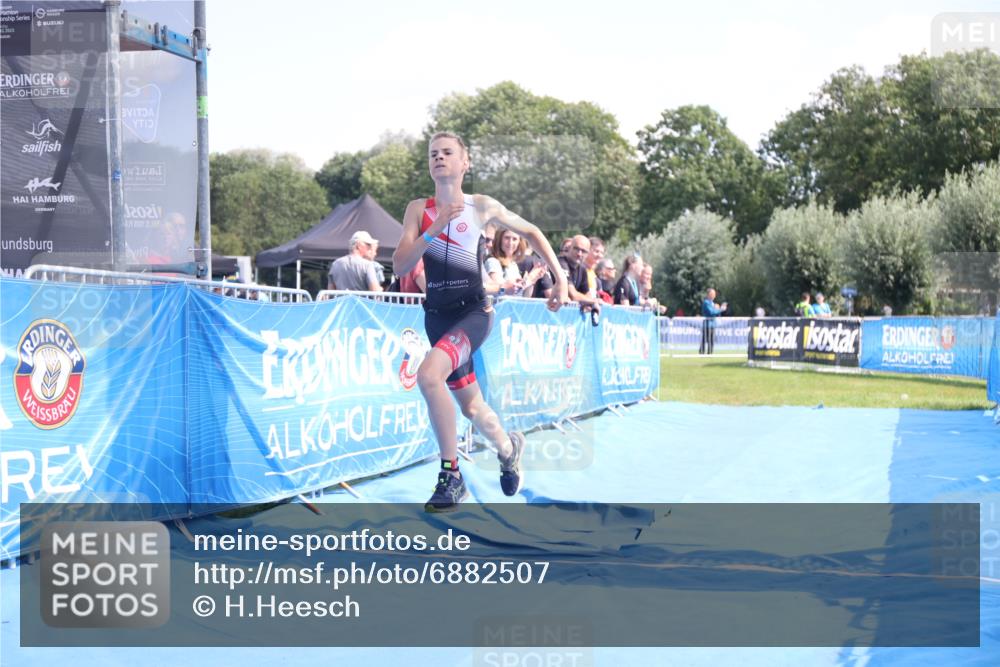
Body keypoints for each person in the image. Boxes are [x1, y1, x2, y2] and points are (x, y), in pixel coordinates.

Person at [392, 131, 568, 512]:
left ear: (464, 163)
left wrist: (561, 279)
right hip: (437, 318)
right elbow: (400, 264)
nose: (439, 158)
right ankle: (508, 449)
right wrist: (433, 228)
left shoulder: (481, 206)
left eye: (447, 153)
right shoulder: (417, 210)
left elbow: (532, 233)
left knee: (428, 375)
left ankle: (451, 475)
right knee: (472, 408)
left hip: (473, 315)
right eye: (433, 153)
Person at [485, 227, 546, 298]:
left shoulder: (513, 265)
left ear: (519, 242)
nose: (510, 243)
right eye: (507, 238)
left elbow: (524, 297)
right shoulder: (492, 261)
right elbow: (501, 292)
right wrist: (529, 279)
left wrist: (533, 280)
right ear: (499, 239)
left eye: (514, 239)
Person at [700, 287, 727, 355]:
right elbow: (711, 312)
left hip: (712, 324)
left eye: (714, 294)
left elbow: (715, 313)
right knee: (705, 339)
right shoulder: (706, 302)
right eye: (712, 294)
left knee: (711, 340)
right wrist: (720, 309)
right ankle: (702, 352)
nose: (714, 295)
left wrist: (718, 309)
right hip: (707, 324)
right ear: (708, 294)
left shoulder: (712, 303)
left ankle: (710, 352)